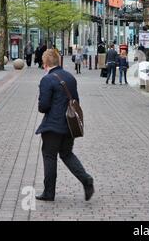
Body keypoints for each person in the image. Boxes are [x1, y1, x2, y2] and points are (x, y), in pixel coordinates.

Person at [35, 49, 94, 202]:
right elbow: (76, 101)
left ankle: (49, 192)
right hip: (69, 124)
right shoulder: (70, 77)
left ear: (46, 63)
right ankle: (86, 179)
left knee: (49, 156)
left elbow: (43, 106)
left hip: (53, 126)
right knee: (67, 154)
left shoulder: (47, 80)